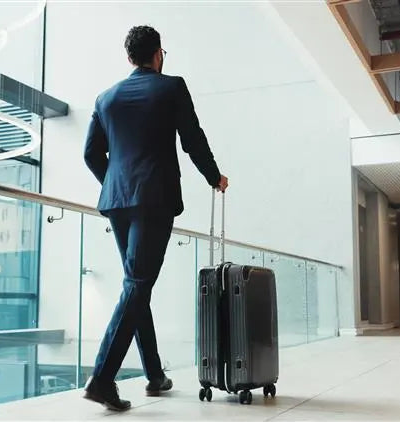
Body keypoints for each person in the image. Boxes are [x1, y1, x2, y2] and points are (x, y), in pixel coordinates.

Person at [82, 25, 229, 411]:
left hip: (117, 201)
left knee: (136, 284)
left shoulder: (105, 97)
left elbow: (90, 155)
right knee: (137, 283)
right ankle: (101, 378)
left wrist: (116, 183)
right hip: (154, 197)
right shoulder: (171, 87)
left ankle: (153, 375)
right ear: (158, 54)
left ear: (131, 57)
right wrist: (215, 177)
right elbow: (192, 138)